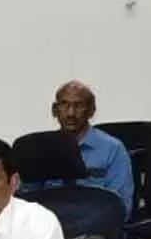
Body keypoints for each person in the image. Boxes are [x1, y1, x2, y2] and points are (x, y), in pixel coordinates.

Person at [24, 81, 133, 212]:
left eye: (78, 105)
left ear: (91, 110)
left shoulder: (113, 149)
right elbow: (27, 201)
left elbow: (121, 207)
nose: (71, 113)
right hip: (51, 226)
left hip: (97, 227)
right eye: (64, 105)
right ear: (54, 110)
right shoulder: (41, 148)